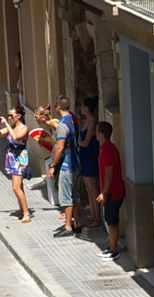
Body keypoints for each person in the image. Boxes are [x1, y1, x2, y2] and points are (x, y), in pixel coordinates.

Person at [0, 105, 31, 223]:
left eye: (11, 116)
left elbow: (16, 137)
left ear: (19, 116)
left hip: (19, 160)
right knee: (19, 187)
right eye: (8, 116)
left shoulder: (24, 128)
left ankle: (27, 214)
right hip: (11, 159)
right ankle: (22, 211)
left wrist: (7, 124)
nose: (9, 118)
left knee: (15, 187)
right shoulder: (11, 127)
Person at [49, 95, 81, 237]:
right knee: (76, 195)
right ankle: (77, 223)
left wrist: (53, 165)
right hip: (76, 162)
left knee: (66, 196)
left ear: (58, 107)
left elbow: (59, 148)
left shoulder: (62, 125)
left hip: (67, 164)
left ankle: (68, 226)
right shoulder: (73, 121)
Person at [96, 121, 124, 261]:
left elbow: (109, 174)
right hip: (114, 191)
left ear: (101, 133)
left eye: (97, 131)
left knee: (112, 222)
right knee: (110, 220)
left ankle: (113, 250)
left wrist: (104, 193)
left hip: (113, 192)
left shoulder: (107, 150)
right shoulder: (109, 147)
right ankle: (111, 247)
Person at [78, 98, 101, 228]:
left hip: (90, 156)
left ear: (87, 108)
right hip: (85, 156)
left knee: (93, 189)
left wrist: (79, 142)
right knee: (88, 188)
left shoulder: (92, 121)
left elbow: (85, 142)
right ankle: (92, 216)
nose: (81, 108)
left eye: (83, 105)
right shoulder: (86, 121)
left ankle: (97, 218)